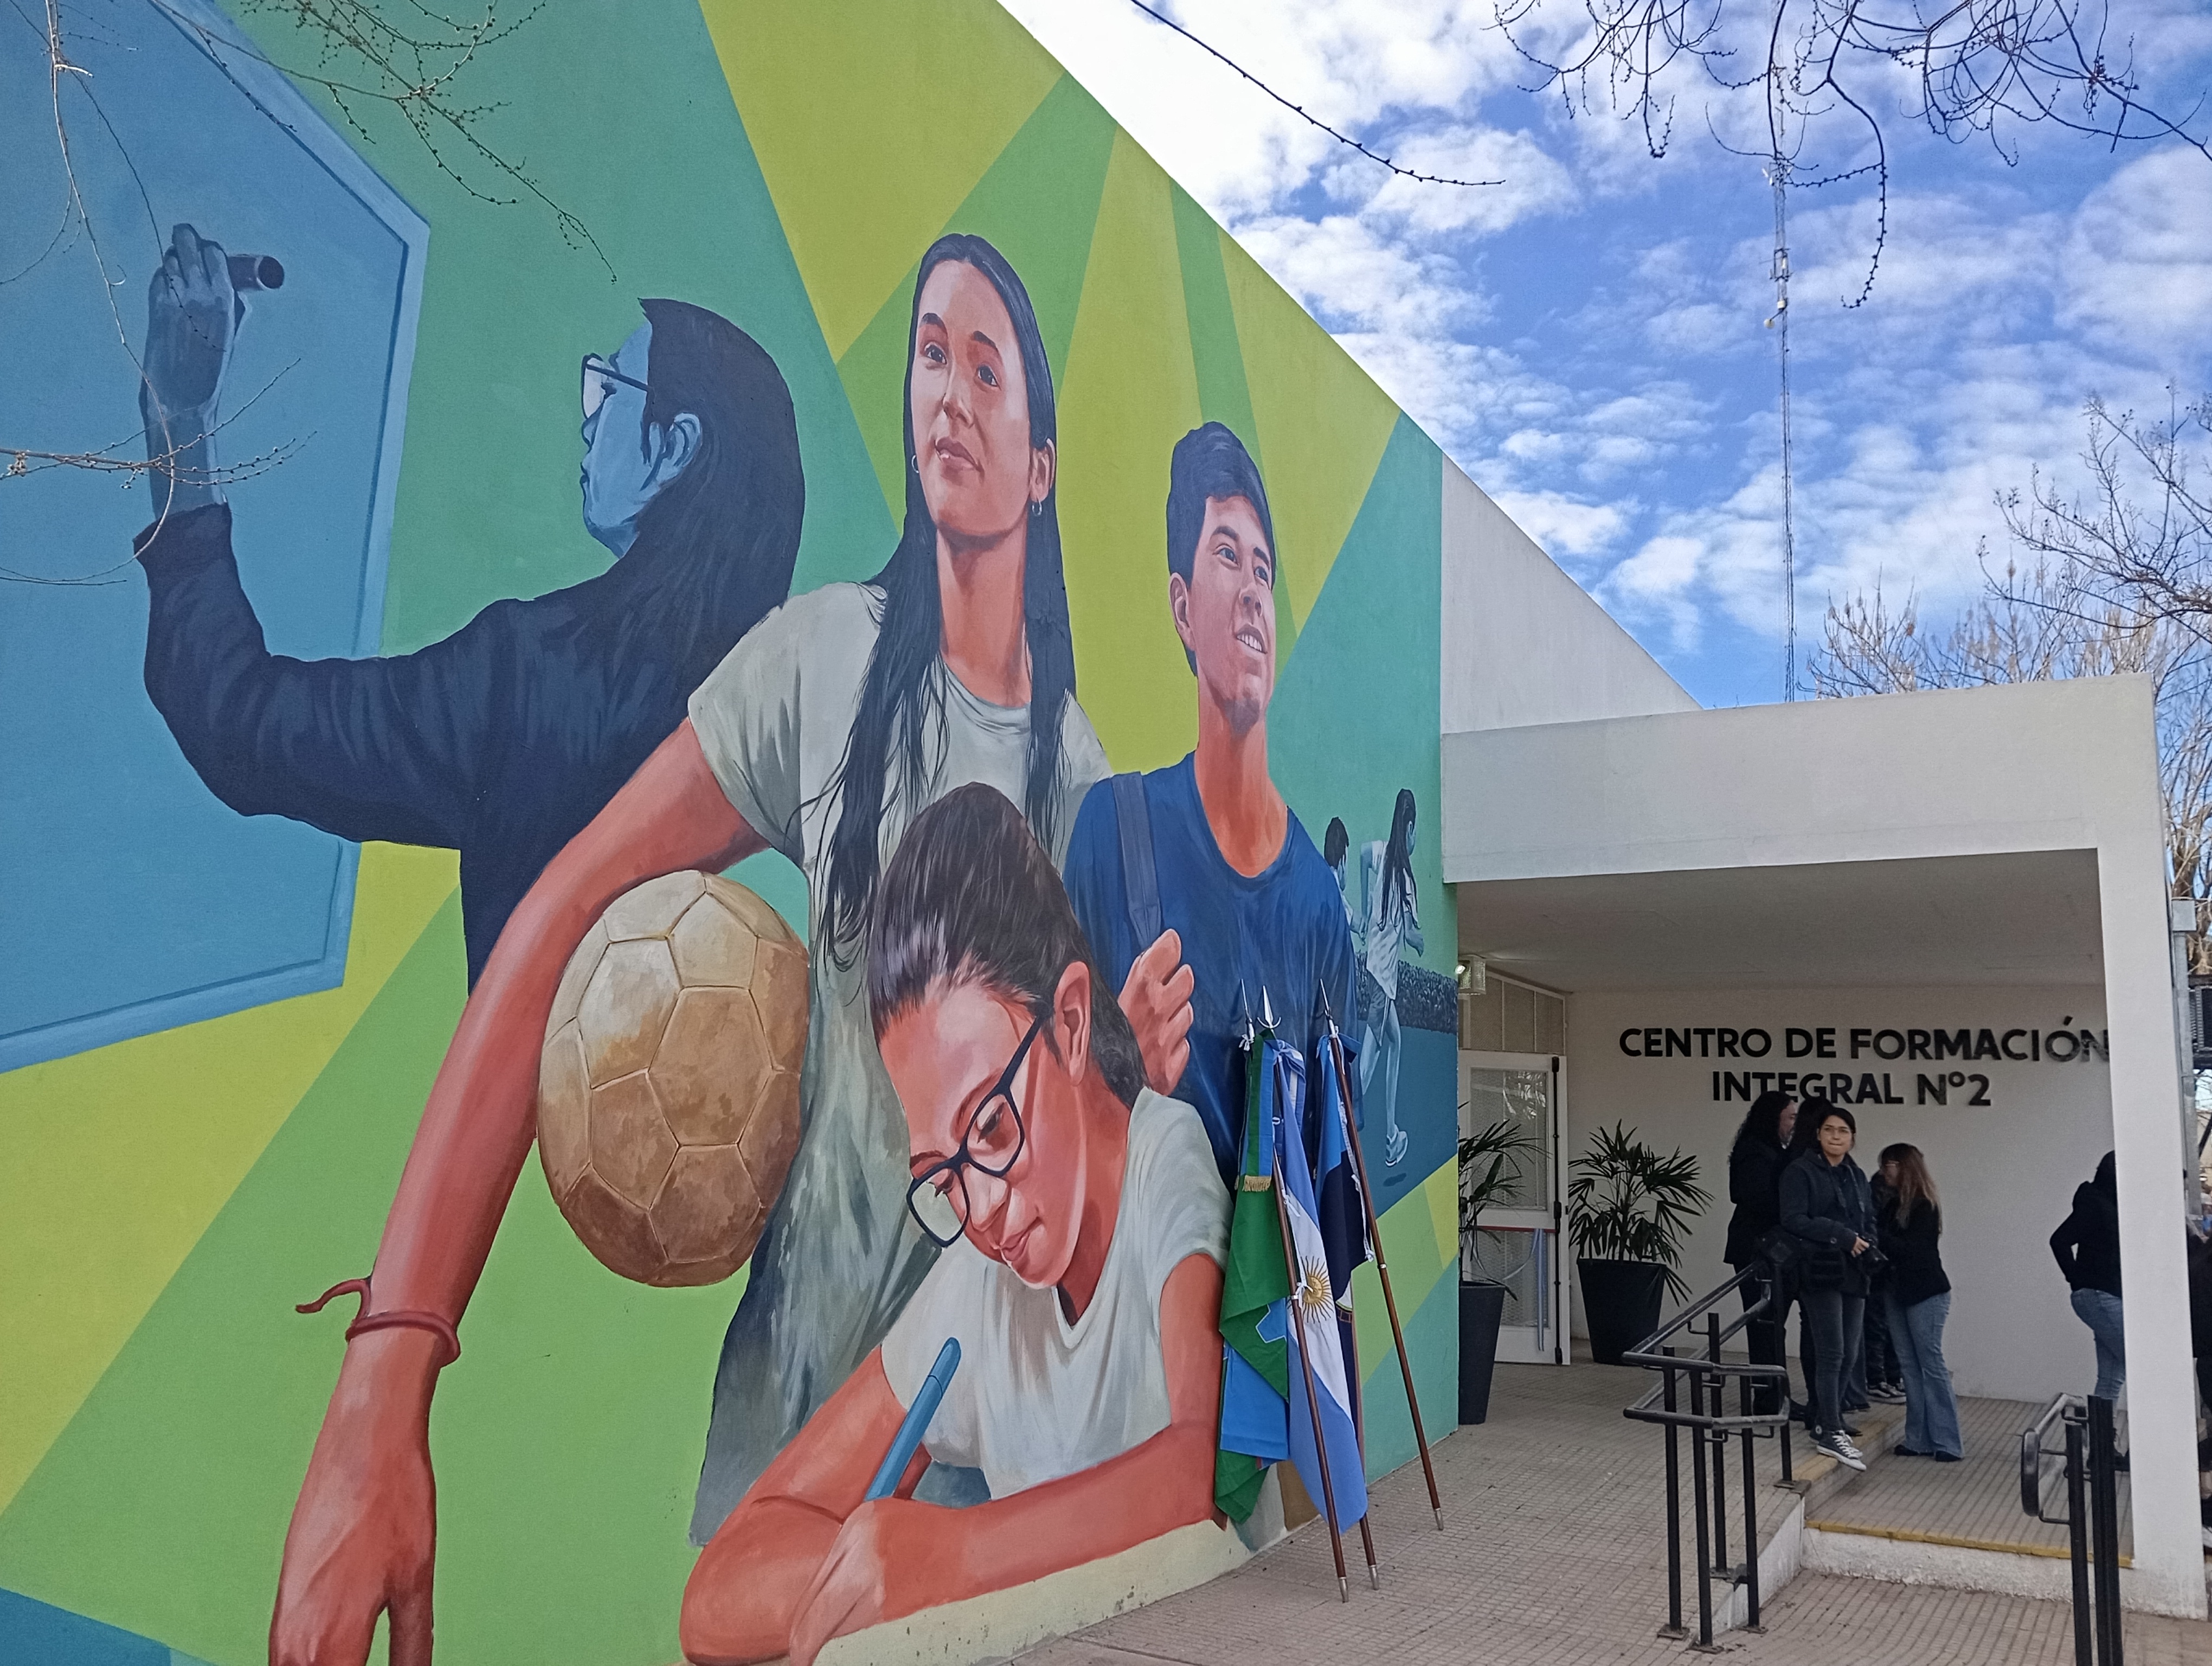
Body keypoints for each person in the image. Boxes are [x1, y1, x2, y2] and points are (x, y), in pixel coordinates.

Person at [267, 233, 1113, 1666]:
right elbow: (560, 918)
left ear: (1041, 464)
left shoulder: (1090, 794)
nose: (951, 394)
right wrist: (386, 1378)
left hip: (1005, 1482)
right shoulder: (823, 662)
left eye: (989, 368)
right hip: (790, 1477)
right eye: (930, 355)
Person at [132, 223, 805, 984]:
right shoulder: (810, 693)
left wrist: (179, 419)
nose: (588, 420)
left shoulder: (533, 678)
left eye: (608, 390)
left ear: (673, 448)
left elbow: (238, 720)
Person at [679, 784, 1228, 1666]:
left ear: (1071, 1023)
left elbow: (1198, 1472)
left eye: (993, 1127)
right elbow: (720, 1590)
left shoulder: (1167, 1160)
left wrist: (955, 1557)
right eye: (942, 1177)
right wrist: (867, 1573)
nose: (980, 1212)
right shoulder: (981, 1287)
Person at [1063, 422, 1357, 1182]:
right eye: (1227, 556)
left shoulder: (1318, 901)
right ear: (1183, 608)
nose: (1254, 591)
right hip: (1146, 1258)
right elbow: (1046, 1133)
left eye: (1264, 569)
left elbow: (1334, 1171)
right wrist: (1119, 1073)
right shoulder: (1112, 834)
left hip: (1271, 1266)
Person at [1779, 1099, 1875, 1471]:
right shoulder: (1800, 1171)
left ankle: (1826, 1416)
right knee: (1831, 1351)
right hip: (1819, 1270)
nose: (1836, 1137)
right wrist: (1840, 1234)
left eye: (1844, 1131)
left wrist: (1868, 1243)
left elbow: (1869, 1219)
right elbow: (1793, 1219)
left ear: (1853, 1138)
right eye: (1830, 1130)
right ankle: (1830, 1430)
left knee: (1850, 1352)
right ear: (1818, 1135)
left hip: (1854, 1270)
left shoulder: (1856, 1175)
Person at [1876, 1144, 1961, 1461]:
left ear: (1903, 1166)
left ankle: (1948, 1442)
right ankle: (1918, 1439)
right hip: (1898, 1291)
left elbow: (1914, 1251)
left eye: (1888, 1164)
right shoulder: (1891, 1205)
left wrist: (1878, 1238)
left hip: (1926, 1292)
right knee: (1909, 1365)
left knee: (1930, 1363)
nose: (1884, 1171)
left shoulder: (1925, 1206)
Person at [1359, 789, 1424, 1165]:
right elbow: (1412, 934)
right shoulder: (1407, 880)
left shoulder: (1381, 854)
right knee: (1371, 1056)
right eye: (1416, 831)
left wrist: (1366, 907)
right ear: (1410, 827)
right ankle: (1345, 1125)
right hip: (1384, 978)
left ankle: (1391, 1133)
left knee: (1395, 1043)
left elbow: (1361, 855)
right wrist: (1419, 940)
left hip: (1375, 970)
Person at [1722, 1091, 1796, 1414]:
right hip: (1757, 1249)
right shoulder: (1755, 1152)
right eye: (1790, 1117)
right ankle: (1769, 1398)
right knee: (1765, 1324)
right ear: (1773, 1118)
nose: (1794, 1124)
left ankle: (1775, 1395)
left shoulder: (1768, 1150)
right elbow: (1751, 1197)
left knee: (1771, 1324)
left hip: (1763, 1248)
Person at [2051, 1151, 2125, 1401]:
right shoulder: (2097, 1204)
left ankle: (2100, 1427)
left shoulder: (2105, 1202)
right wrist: (2077, 1280)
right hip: (2100, 1295)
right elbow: (2059, 1240)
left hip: (2101, 1294)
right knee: (2141, 1364)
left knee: (2111, 1377)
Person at [1862, 1165, 1906, 1405]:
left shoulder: (1892, 1194)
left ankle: (1889, 1377)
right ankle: (1879, 1380)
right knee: (1879, 1326)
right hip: (1880, 1270)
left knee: (1885, 1326)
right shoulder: (1880, 1194)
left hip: (1885, 1270)